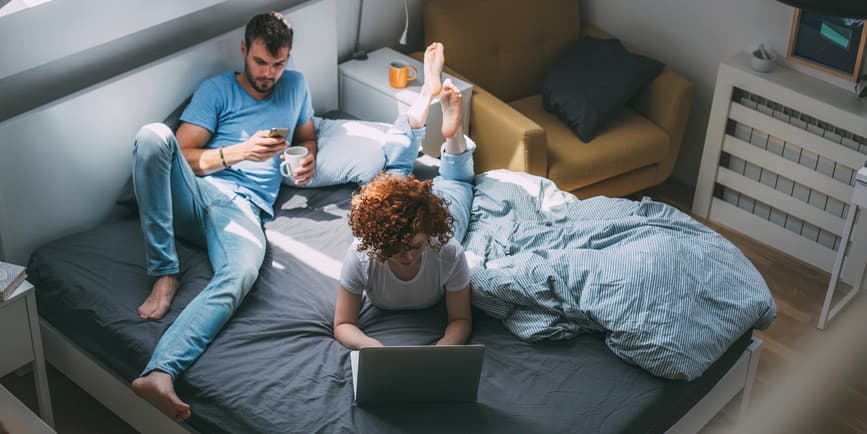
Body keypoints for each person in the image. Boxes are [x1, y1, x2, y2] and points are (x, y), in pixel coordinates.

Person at [129, 12, 316, 423]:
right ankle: (165, 271)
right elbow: (181, 155)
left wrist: (308, 163)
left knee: (241, 273)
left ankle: (161, 372)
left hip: (244, 208)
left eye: (278, 64)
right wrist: (239, 152)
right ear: (244, 50)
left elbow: (306, 137)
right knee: (152, 136)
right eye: (261, 62)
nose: (269, 74)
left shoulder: (296, 86)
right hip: (197, 194)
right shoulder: (216, 90)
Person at [333, 42, 475, 349]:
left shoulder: (446, 250)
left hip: (433, 221)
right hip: (402, 213)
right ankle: (426, 93)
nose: (409, 256)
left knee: (456, 186)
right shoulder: (361, 255)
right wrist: (373, 348)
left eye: (415, 245)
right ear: (378, 241)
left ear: (430, 235)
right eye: (396, 249)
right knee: (394, 170)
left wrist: (445, 347)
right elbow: (343, 323)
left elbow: (460, 320)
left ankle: (454, 133)